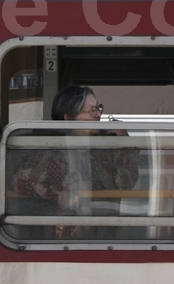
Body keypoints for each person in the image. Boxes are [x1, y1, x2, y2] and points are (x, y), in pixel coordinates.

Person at [8, 85, 139, 240]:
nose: (98, 114)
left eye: (98, 108)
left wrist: (123, 144)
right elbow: (19, 180)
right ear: (69, 117)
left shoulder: (105, 149)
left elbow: (125, 183)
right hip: (64, 239)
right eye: (91, 110)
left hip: (104, 237)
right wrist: (58, 196)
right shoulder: (51, 151)